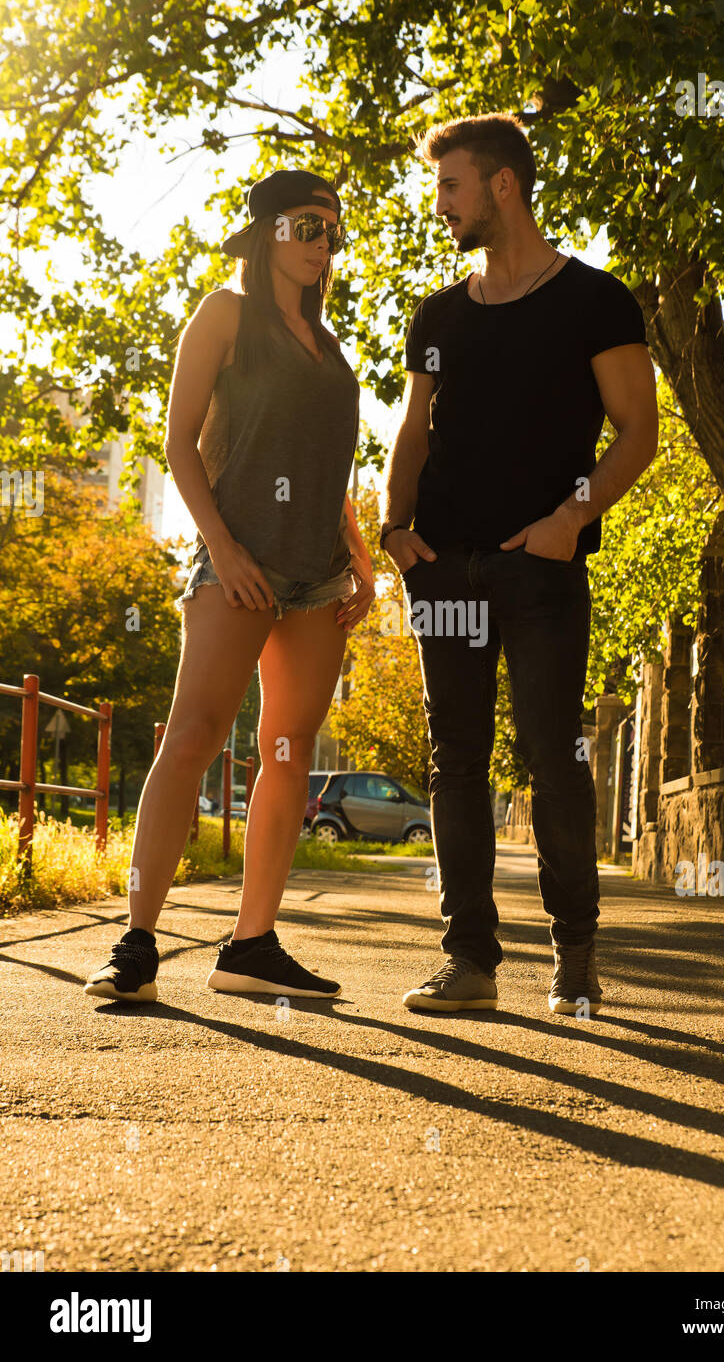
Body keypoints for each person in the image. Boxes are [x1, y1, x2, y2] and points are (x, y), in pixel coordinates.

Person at [381, 114, 658, 1016]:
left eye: (451, 186)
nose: (441, 206)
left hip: (541, 567)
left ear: (502, 184)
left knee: (552, 755)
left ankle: (573, 952)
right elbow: (413, 428)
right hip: (445, 567)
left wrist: (569, 520)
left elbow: (638, 431)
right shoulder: (439, 314)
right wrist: (394, 530)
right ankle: (469, 962)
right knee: (453, 761)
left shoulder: (596, 300)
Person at [84, 169, 374, 1004]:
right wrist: (224, 548)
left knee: (285, 754)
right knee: (193, 733)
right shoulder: (223, 312)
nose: (323, 243)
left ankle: (250, 946)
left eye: (332, 229)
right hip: (236, 561)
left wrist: (359, 559)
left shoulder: (328, 345)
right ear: (266, 231)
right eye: (307, 225)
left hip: (319, 576)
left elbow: (332, 471)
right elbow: (178, 445)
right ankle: (137, 943)